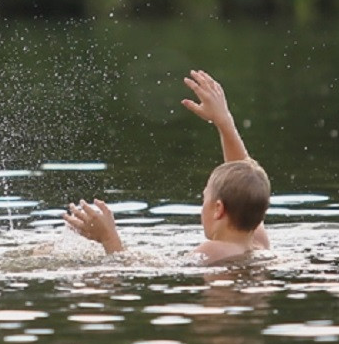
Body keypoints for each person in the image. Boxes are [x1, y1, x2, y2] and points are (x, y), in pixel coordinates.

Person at [64, 70, 271, 264]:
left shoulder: (211, 251)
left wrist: (108, 238)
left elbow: (135, 271)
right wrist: (224, 123)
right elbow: (244, 180)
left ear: (218, 208)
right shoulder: (259, 243)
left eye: (204, 198)